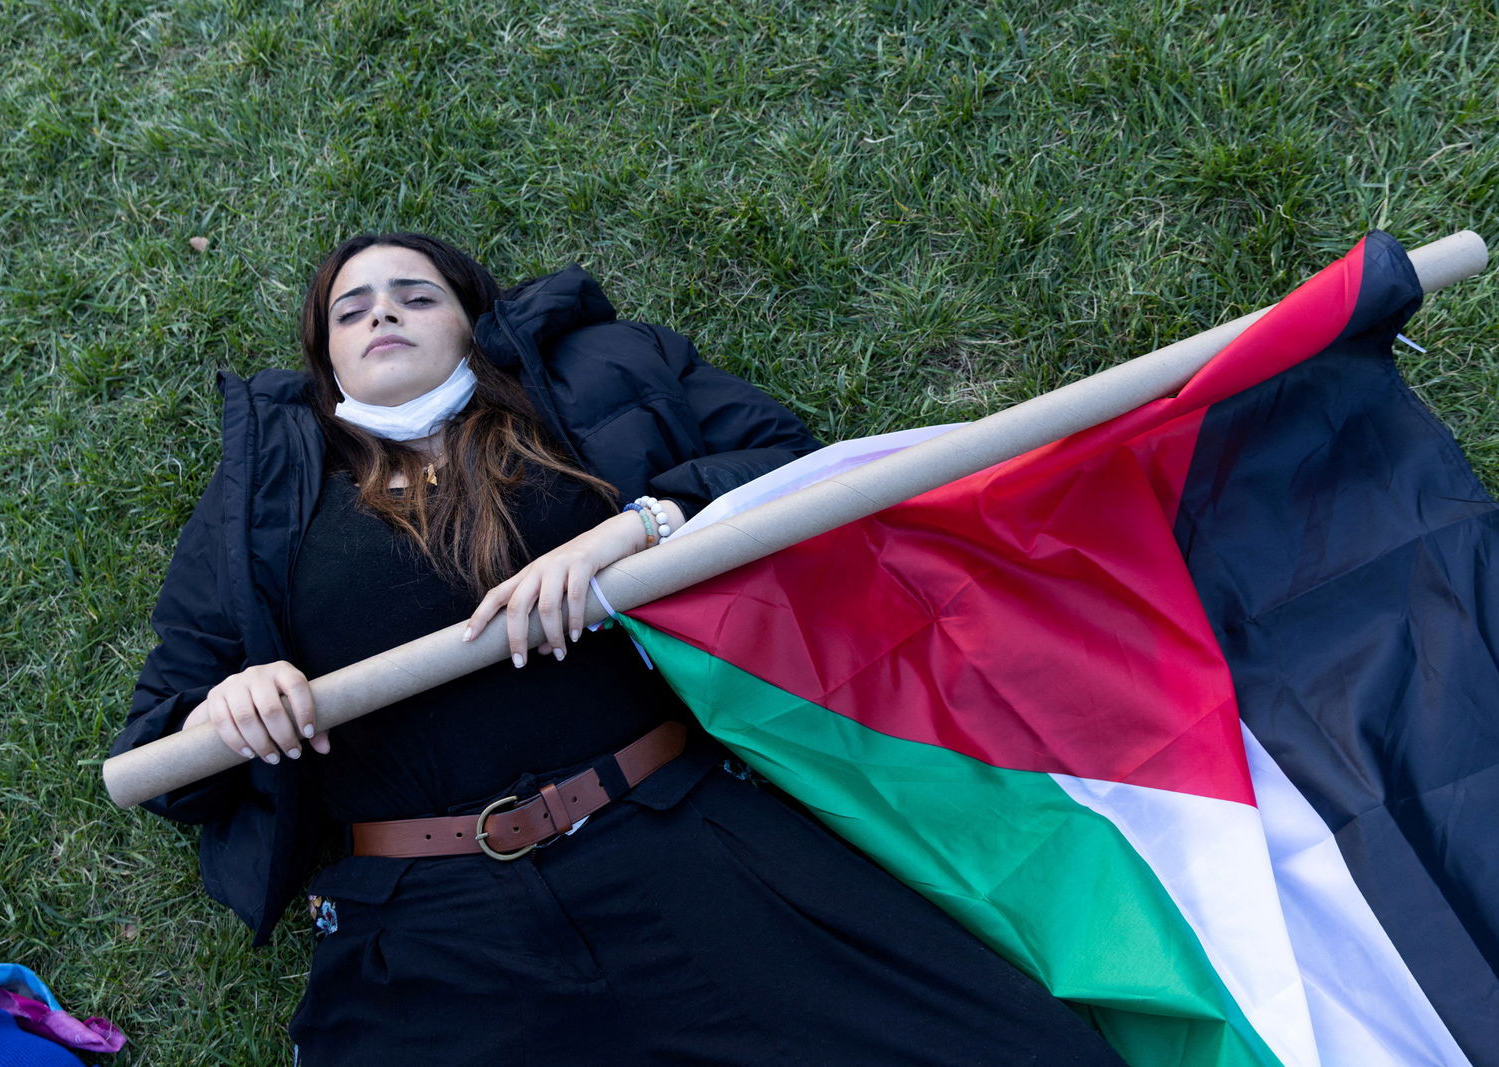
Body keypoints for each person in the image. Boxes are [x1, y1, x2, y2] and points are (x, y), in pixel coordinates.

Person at [113, 233, 1125, 1065]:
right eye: (351, 308)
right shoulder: (260, 503)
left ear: (471, 316)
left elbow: (797, 471)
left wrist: (638, 525)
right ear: (324, 357)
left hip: (684, 844)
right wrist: (229, 708)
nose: (382, 314)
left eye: (415, 295)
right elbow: (164, 757)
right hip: (430, 928)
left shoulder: (597, 381)